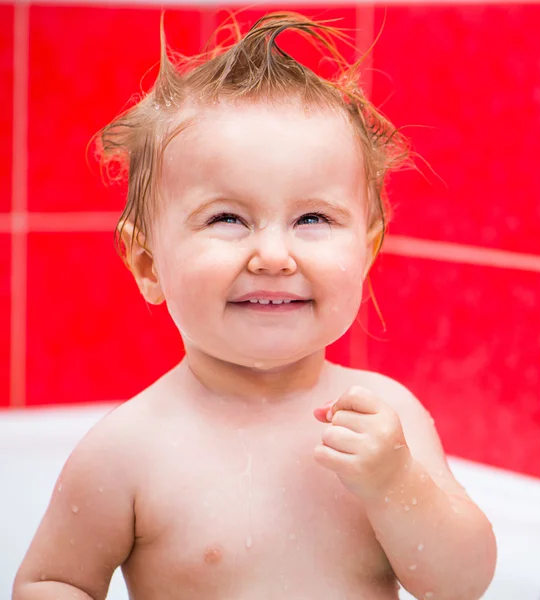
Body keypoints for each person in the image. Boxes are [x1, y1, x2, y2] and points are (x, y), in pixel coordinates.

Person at [13, 12, 496, 600]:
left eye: (312, 218)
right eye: (227, 218)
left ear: (367, 252)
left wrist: (397, 485)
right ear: (146, 266)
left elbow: (462, 585)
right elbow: (52, 581)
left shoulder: (387, 424)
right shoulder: (128, 449)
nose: (273, 255)